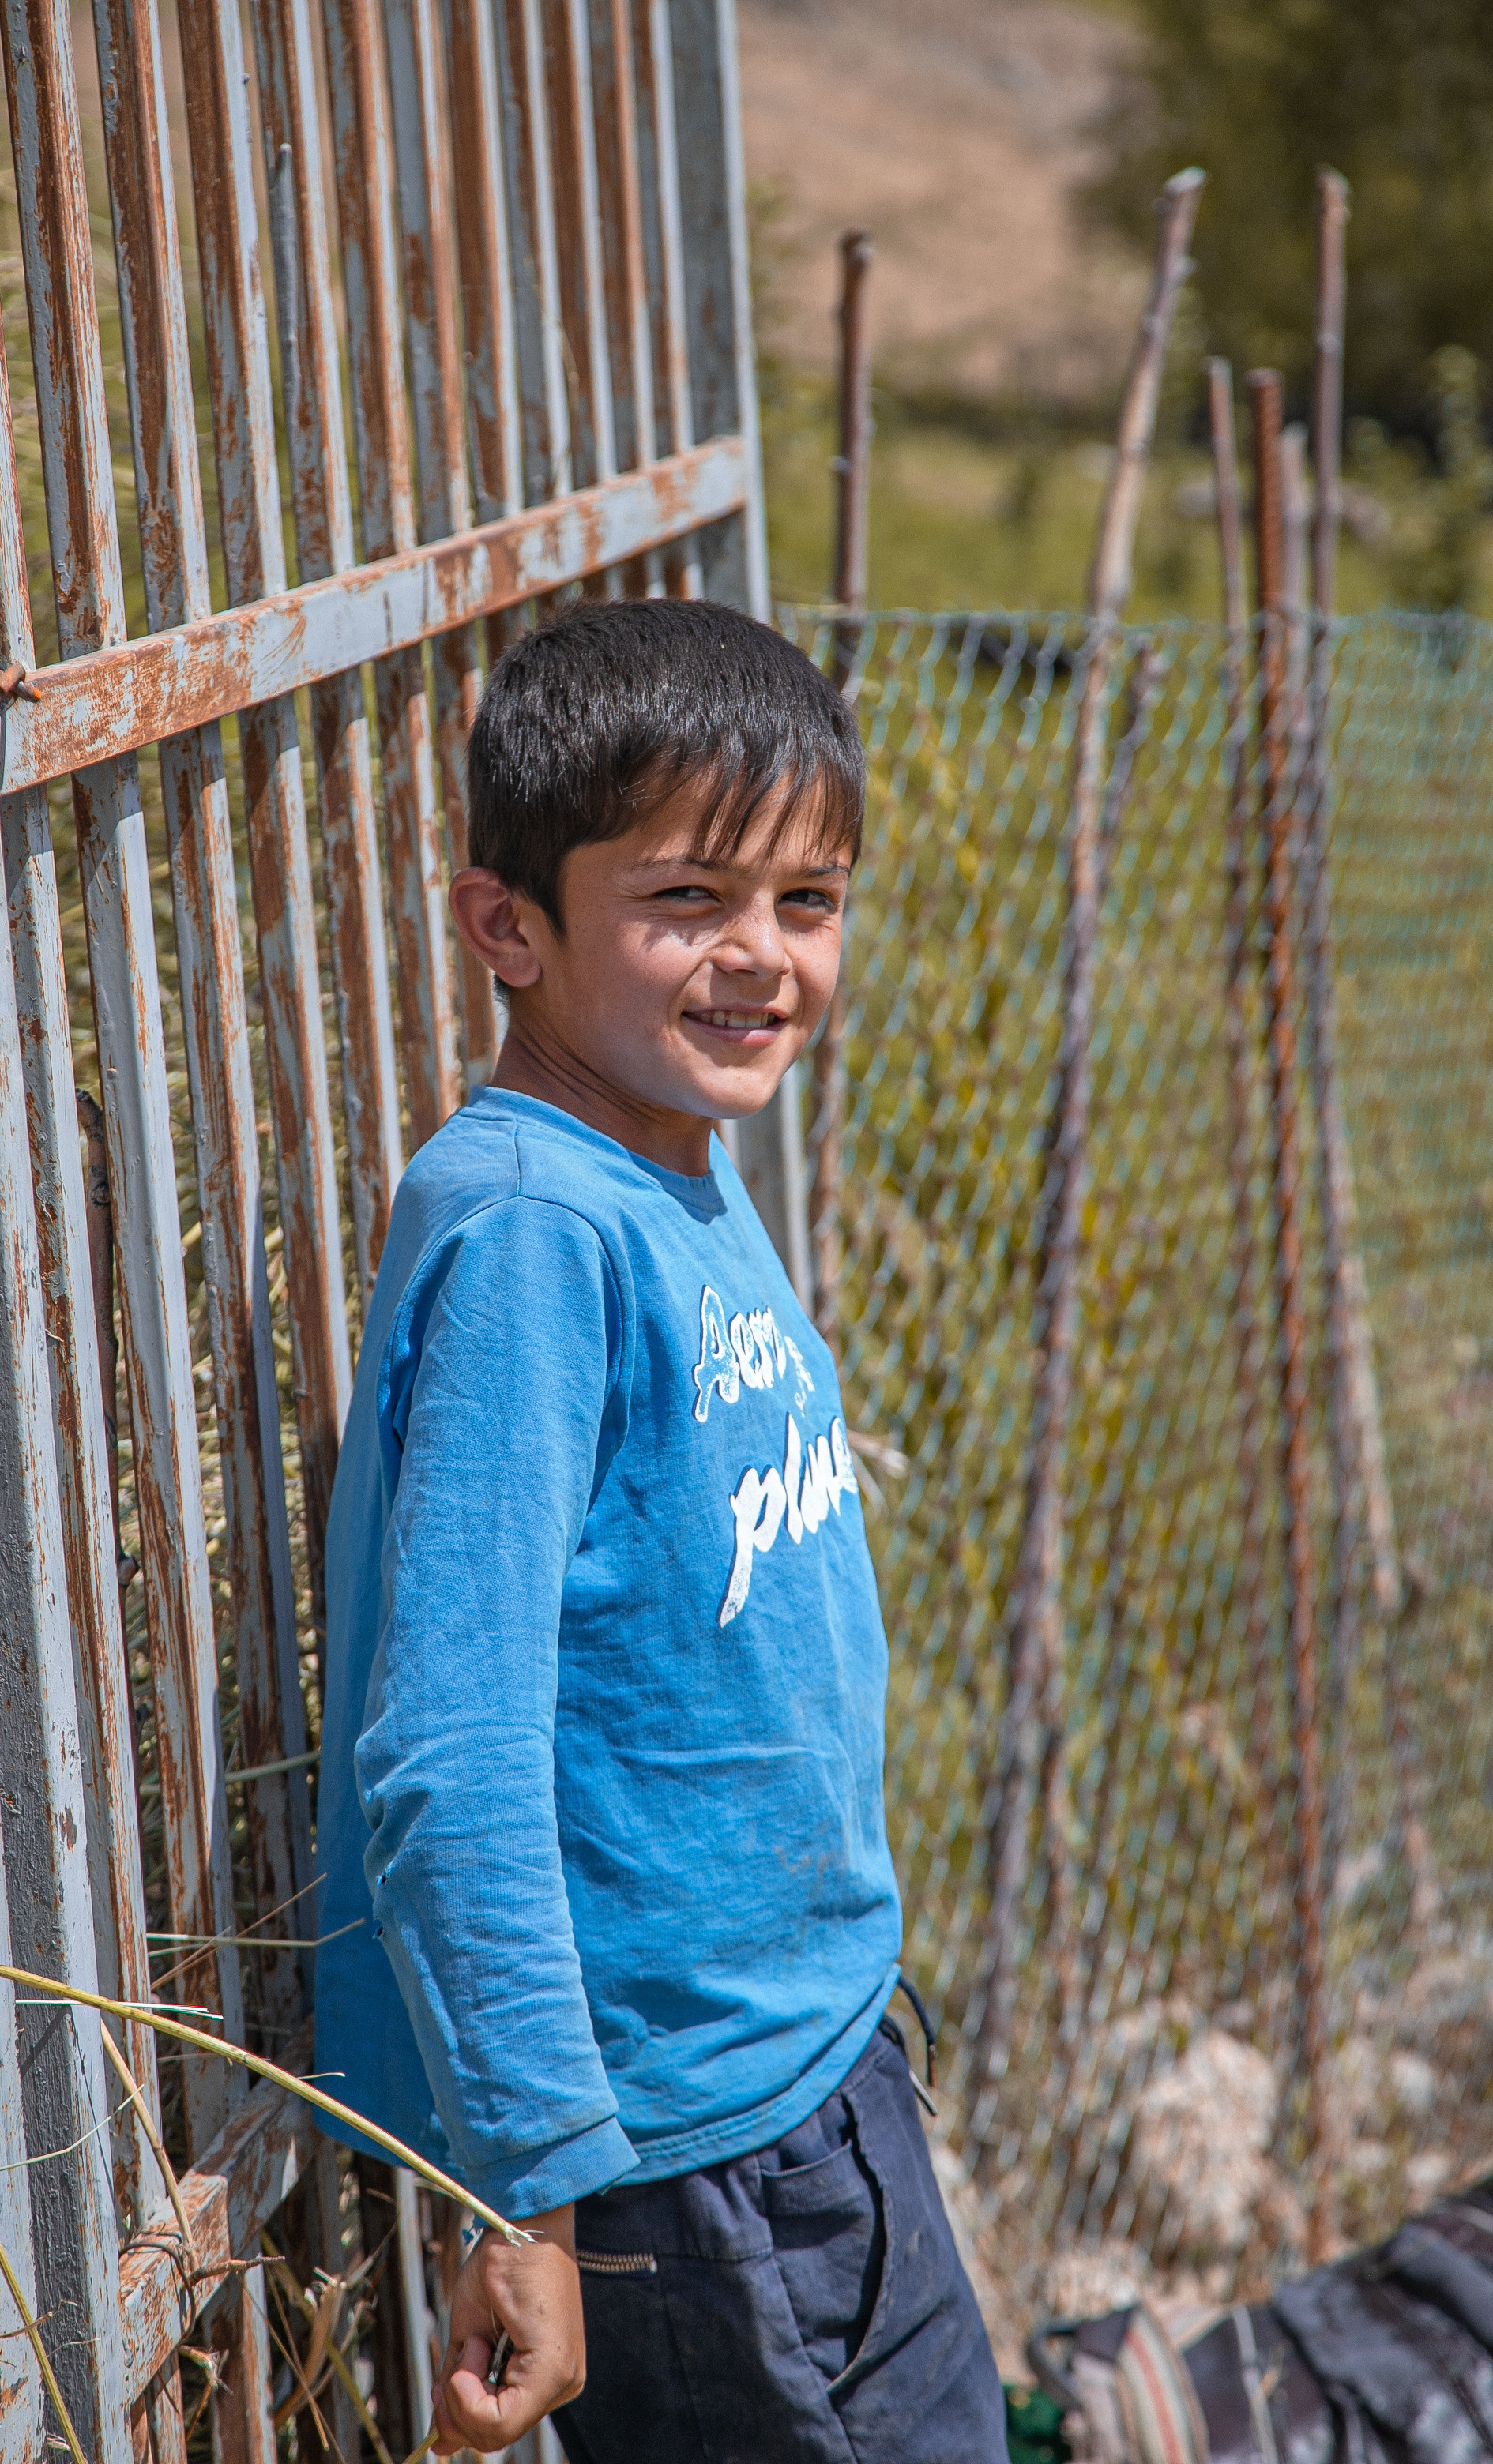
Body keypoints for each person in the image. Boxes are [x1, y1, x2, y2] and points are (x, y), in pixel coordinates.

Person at [314, 599, 1006, 2462]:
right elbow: (447, 1757)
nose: (761, 959)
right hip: (681, 2176)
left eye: (808, 899)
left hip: (824, 2073)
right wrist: (532, 2191)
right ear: (505, 928)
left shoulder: (670, 1160)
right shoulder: (531, 1228)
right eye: (688, 900)